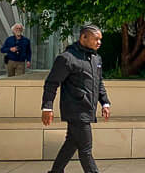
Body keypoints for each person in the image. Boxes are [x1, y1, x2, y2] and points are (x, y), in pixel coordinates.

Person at [41, 25, 111, 173]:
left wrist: (105, 102)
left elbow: (98, 82)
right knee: (86, 150)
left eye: (100, 39)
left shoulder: (96, 58)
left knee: (71, 143)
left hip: (87, 109)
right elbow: (51, 83)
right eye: (96, 39)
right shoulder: (67, 58)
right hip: (75, 111)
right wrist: (47, 107)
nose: (99, 42)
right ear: (83, 37)